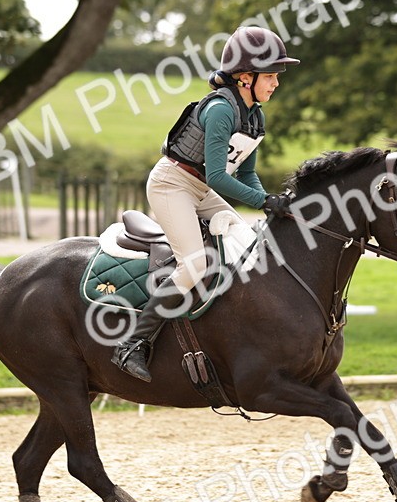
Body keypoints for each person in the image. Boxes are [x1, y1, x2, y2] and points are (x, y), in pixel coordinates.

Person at [112, 25, 298, 381]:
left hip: (198, 190)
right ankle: (132, 343)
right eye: (271, 75)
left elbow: (245, 176)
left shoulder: (255, 115)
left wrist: (270, 205)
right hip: (172, 186)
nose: (276, 83)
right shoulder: (220, 111)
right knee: (194, 265)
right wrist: (264, 200)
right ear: (246, 77)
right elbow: (217, 177)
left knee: (245, 242)